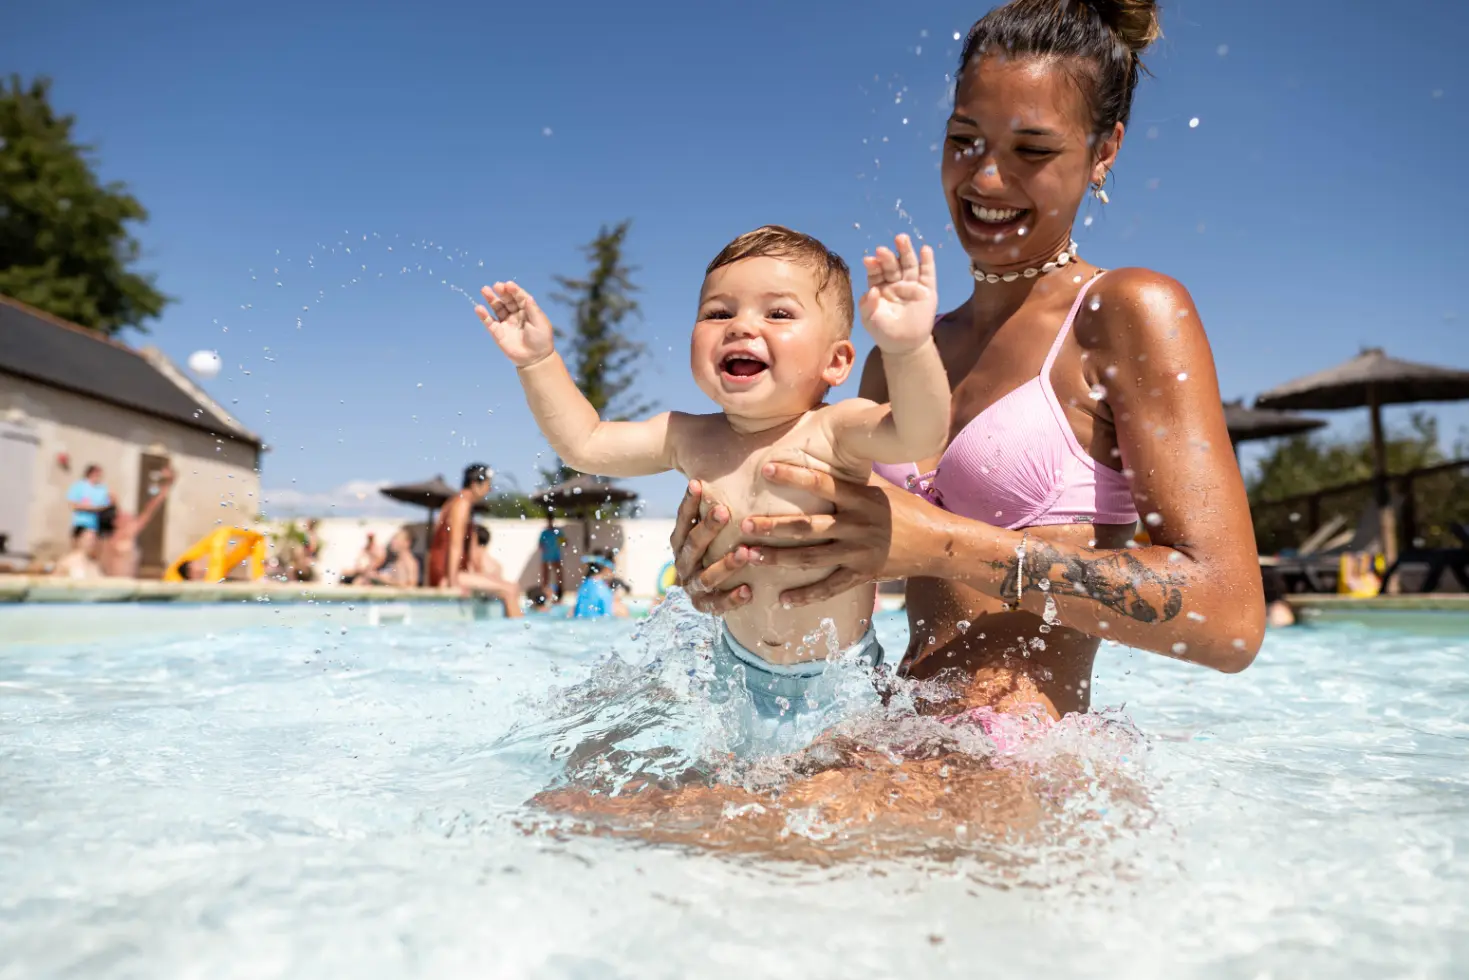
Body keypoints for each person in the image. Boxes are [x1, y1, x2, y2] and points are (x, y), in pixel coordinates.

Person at [668, 0, 1264, 727]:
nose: (984, 180)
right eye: (964, 139)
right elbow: (839, 556)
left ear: (1103, 150)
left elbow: (1229, 617)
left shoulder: (1124, 312)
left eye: (1032, 151)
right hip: (892, 733)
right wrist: (731, 560)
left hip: (1015, 762)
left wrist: (944, 545)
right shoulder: (903, 356)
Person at [478, 227, 950, 716]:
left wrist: (908, 348)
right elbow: (586, 444)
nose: (741, 327)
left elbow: (921, 435)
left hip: (841, 683)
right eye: (718, 312)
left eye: (778, 313)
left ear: (837, 361)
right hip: (734, 678)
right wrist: (538, 360)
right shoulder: (689, 437)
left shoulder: (836, 430)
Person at [427, 463, 494, 589]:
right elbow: (454, 545)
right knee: (511, 589)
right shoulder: (462, 503)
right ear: (475, 484)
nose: (489, 490)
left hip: (450, 572)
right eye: (488, 485)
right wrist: (452, 583)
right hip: (446, 575)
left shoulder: (456, 502)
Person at [100, 466, 175, 579]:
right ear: (116, 522)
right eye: (123, 515)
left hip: (121, 585)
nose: (129, 515)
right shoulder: (121, 536)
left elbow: (151, 508)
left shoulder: (116, 535)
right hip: (119, 587)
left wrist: (166, 485)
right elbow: (150, 509)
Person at [457, 524, 526, 618]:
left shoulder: (482, 561)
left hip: (488, 595)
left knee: (510, 590)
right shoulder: (496, 565)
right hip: (494, 597)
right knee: (510, 589)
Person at [573, 553, 628, 620]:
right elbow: (608, 616)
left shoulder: (583, 587)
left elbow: (574, 612)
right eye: (613, 571)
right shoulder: (603, 590)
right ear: (607, 570)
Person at [66, 464, 112, 535]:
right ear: (89, 473)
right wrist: (92, 508)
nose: (98, 476)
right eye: (96, 473)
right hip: (81, 523)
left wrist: (91, 508)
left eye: (99, 474)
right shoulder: (78, 486)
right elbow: (72, 505)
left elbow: (106, 505)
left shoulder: (102, 488)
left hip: (96, 525)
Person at [537, 516, 567, 601]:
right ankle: (544, 596)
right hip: (546, 558)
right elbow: (540, 545)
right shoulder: (544, 532)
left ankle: (559, 595)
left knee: (559, 577)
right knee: (545, 578)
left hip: (555, 557)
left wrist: (562, 540)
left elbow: (564, 543)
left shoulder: (557, 532)